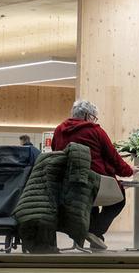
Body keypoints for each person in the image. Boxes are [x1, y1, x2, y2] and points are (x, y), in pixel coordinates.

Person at [52, 99, 133, 250]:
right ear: (88, 116)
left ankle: (97, 239)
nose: (95, 120)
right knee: (119, 201)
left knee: (91, 204)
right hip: (96, 181)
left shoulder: (58, 130)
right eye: (94, 117)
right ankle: (95, 232)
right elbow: (113, 157)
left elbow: (55, 153)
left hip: (68, 183)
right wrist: (129, 171)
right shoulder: (95, 131)